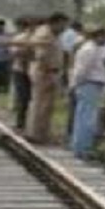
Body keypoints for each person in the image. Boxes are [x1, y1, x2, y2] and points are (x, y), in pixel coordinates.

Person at [24, 12, 68, 144]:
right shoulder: (45, 34)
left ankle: (41, 133)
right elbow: (41, 55)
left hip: (48, 72)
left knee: (46, 105)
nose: (64, 28)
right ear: (56, 22)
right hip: (45, 73)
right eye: (63, 25)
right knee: (40, 104)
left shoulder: (52, 34)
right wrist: (49, 71)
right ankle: (35, 134)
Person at [68, 29, 105, 159]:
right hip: (88, 85)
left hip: (90, 85)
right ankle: (82, 148)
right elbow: (82, 70)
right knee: (87, 118)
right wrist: (75, 84)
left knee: (83, 116)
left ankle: (79, 147)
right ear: (98, 36)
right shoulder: (89, 50)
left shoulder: (94, 49)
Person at [9, 17, 36, 132]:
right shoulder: (19, 38)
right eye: (31, 26)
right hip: (19, 70)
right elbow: (13, 52)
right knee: (23, 97)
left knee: (31, 98)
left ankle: (29, 124)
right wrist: (24, 49)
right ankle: (20, 123)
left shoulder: (38, 39)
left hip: (33, 71)